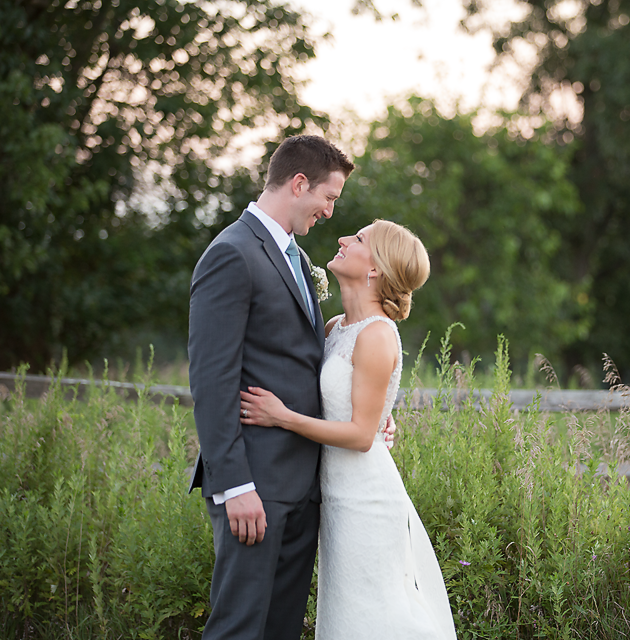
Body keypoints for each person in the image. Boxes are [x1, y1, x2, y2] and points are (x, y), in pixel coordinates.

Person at [189, 134, 379, 639]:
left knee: (280, 631)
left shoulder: (295, 257)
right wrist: (235, 485)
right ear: (300, 184)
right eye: (329, 198)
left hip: (303, 486)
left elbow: (307, 363)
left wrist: (368, 415)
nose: (330, 213)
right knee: (238, 628)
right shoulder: (232, 253)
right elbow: (212, 380)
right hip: (255, 486)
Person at [239, 220, 458, 639]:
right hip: (333, 495)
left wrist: (281, 416)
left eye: (357, 239)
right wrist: (381, 418)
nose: (343, 239)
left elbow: (360, 437)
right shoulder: (335, 327)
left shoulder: (377, 336)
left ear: (375, 268)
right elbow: (346, 406)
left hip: (366, 499)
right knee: (343, 614)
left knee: (373, 614)